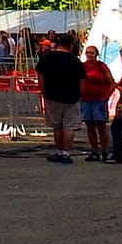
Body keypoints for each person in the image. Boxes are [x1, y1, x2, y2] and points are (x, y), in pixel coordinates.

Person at [35, 32, 84, 164]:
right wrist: (80, 96)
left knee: (57, 126)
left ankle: (58, 150)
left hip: (52, 95)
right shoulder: (76, 61)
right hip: (72, 97)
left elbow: (40, 76)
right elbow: (82, 81)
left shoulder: (47, 57)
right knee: (69, 126)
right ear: (71, 45)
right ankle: (66, 153)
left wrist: (44, 92)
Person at [78, 45, 115, 162]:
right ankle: (94, 151)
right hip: (86, 100)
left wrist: (106, 97)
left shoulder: (101, 66)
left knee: (101, 127)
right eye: (87, 53)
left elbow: (112, 83)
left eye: (91, 53)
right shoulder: (82, 67)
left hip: (99, 100)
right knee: (90, 126)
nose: (89, 55)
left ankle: (105, 151)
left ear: (96, 54)